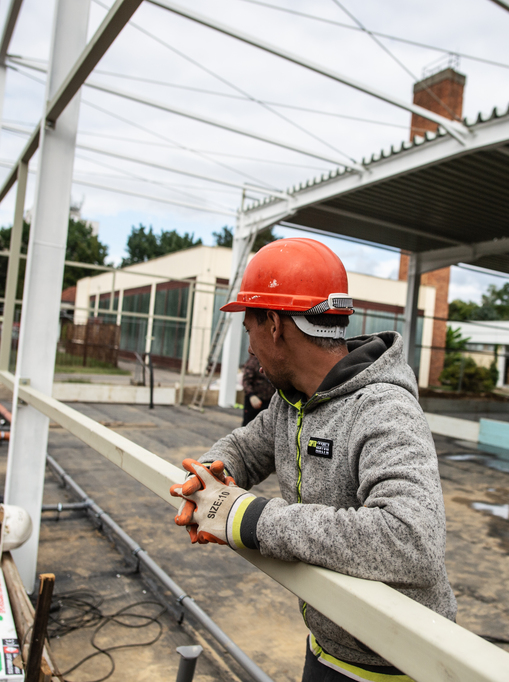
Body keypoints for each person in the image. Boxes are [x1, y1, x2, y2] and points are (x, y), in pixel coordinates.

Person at [170, 238, 456, 681]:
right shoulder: (292, 403)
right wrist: (209, 475)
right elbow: (245, 448)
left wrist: (250, 520)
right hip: (327, 646)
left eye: (248, 329)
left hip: (395, 666)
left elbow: (411, 541)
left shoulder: (382, 409)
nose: (250, 349)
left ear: (273, 325)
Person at [241, 353, 274, 427]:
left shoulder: (272, 361)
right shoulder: (254, 362)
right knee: (249, 425)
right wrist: (251, 396)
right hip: (255, 401)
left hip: (269, 401)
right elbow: (246, 380)